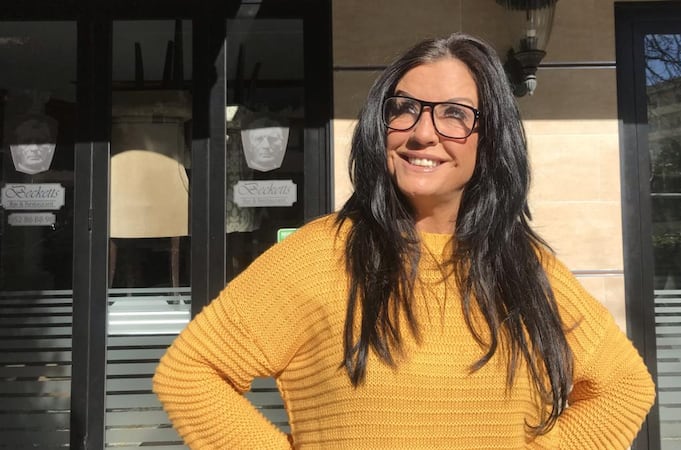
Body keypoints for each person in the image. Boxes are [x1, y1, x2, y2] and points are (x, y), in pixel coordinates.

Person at [153, 33, 655, 449]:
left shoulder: (525, 266)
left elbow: (624, 387)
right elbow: (191, 372)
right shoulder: (318, 256)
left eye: (455, 113)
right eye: (405, 108)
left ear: (491, 138)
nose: (422, 132)